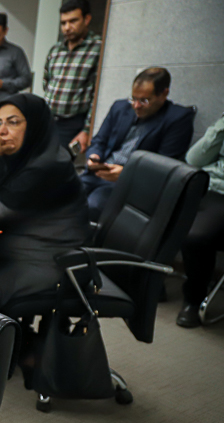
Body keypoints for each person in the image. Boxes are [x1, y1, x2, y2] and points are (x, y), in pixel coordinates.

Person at [0, 93, 89, 310]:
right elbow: (6, 187)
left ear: (35, 125)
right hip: (12, 247)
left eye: (13, 122)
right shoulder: (27, 155)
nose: (1, 131)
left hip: (46, 259)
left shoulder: (49, 166)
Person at [82, 67, 195, 220]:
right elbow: (99, 141)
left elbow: (166, 166)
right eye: (133, 99)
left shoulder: (178, 118)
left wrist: (127, 174)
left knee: (92, 207)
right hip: (100, 172)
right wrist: (94, 156)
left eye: (144, 100)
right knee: (58, 195)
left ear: (164, 94)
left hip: (132, 184)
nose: (136, 105)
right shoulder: (120, 107)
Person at [176, 111, 224, 328]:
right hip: (204, 182)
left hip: (221, 195)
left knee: (195, 236)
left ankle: (193, 300)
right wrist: (221, 125)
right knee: (150, 203)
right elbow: (194, 159)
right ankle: (146, 281)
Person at [43, 0, 102, 153]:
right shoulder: (55, 50)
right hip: (48, 119)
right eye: (63, 23)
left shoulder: (98, 49)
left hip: (73, 124)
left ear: (86, 19)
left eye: (73, 21)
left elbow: (97, 95)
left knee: (58, 163)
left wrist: (87, 130)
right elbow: (46, 83)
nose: (67, 27)